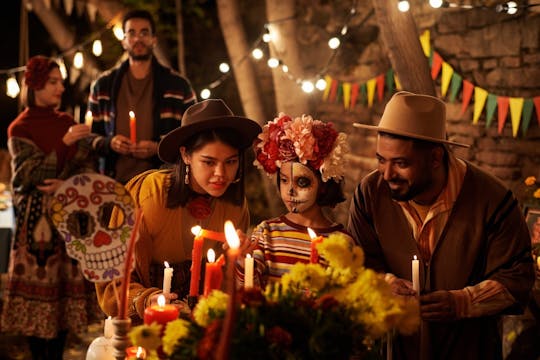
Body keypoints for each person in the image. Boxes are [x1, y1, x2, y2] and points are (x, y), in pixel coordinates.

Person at [348, 91, 534, 359]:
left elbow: (518, 277)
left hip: (469, 351)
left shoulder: (492, 199)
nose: (387, 174)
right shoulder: (370, 192)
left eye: (401, 163)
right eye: (381, 159)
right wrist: (383, 282)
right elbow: (356, 263)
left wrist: (463, 302)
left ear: (435, 158)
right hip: (395, 349)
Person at [95, 99, 261, 321]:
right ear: (185, 155)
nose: (221, 173)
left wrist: (239, 262)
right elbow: (111, 275)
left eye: (230, 162)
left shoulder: (235, 205)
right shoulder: (149, 195)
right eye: (209, 162)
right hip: (146, 325)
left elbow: (230, 284)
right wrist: (146, 299)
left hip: (204, 323)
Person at [2, 56, 99, 360]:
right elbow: (27, 176)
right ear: (35, 85)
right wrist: (64, 143)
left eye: (61, 81)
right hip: (34, 230)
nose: (61, 87)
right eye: (53, 82)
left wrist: (64, 183)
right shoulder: (20, 128)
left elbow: (86, 167)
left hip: (68, 221)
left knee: (63, 304)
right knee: (35, 304)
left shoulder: (68, 123)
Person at [245, 113, 354, 287]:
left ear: (324, 183)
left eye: (302, 182)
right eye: (284, 180)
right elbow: (248, 286)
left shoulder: (341, 242)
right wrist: (240, 262)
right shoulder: (266, 233)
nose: (290, 191)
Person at [87, 9, 197, 184]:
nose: (138, 39)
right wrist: (110, 143)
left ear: (154, 39)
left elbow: (194, 137)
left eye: (144, 33)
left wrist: (159, 147)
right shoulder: (102, 86)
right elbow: (89, 138)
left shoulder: (178, 86)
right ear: (124, 41)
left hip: (162, 184)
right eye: (132, 33)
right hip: (113, 184)